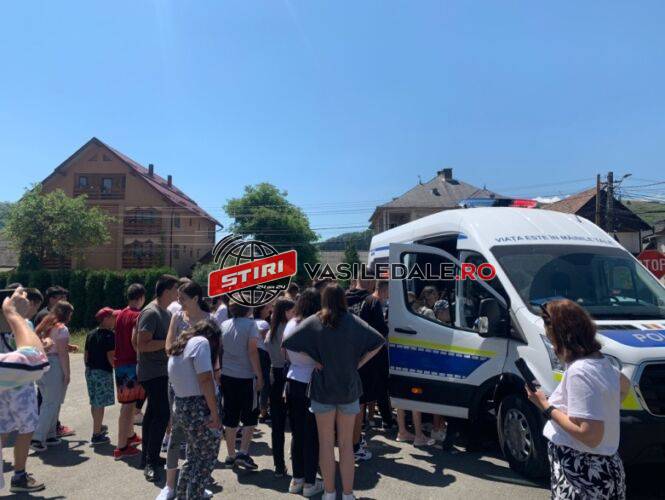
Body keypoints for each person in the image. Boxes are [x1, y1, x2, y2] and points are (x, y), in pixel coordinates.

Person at [283, 284, 385, 500]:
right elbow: (379, 341)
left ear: (324, 299)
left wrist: (315, 359)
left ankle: (329, 493)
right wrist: (358, 363)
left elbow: (288, 342)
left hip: (322, 389)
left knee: (326, 443)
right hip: (348, 387)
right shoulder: (353, 321)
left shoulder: (315, 321)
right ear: (343, 299)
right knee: (346, 445)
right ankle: (347, 494)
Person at [526, 299, 628, 499]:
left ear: (561, 336)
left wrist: (545, 405)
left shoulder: (579, 371)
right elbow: (625, 387)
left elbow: (590, 435)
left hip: (582, 474)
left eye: (550, 337)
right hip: (602, 470)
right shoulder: (602, 363)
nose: (551, 344)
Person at [159, 281, 212, 500]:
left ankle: (195, 482)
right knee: (175, 433)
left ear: (196, 298)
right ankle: (169, 485)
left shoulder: (210, 320)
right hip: (178, 383)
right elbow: (168, 347)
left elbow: (216, 354)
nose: (178, 302)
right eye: (178, 297)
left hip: (202, 385)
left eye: (183, 298)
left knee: (199, 437)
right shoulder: (177, 317)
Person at [0, 288, 50, 492]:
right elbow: (35, 359)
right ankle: (19, 475)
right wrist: (14, 316)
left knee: (4, 429)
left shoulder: (25, 324)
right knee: (26, 428)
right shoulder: (22, 323)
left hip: (10, 379)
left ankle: (19, 474)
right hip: (21, 383)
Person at [166, 320, 222, 500]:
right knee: (205, 460)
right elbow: (205, 379)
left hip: (183, 406)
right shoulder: (201, 343)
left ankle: (182, 495)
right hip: (199, 407)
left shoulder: (179, 347)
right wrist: (214, 413)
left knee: (193, 457)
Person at [136, 274, 179, 482]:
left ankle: (148, 457)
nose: (178, 293)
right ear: (167, 290)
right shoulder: (151, 312)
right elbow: (141, 344)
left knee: (153, 415)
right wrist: (169, 342)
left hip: (162, 372)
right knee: (161, 415)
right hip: (153, 373)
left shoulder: (166, 312)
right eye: (175, 289)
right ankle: (150, 462)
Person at [283, 288, 324, 497]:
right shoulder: (316, 324)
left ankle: (296, 479)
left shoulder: (291, 323)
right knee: (312, 435)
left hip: (292, 380)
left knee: (297, 433)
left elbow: (285, 353)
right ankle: (309, 482)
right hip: (311, 383)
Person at [220, 301, 264, 470]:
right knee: (250, 416)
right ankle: (243, 452)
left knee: (230, 416)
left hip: (227, 375)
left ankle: (231, 455)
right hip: (246, 376)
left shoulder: (224, 324)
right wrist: (259, 375)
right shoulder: (251, 325)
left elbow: (221, 350)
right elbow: (252, 351)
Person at [31, 300, 74, 452]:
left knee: (49, 402)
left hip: (41, 364)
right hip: (54, 365)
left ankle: (50, 435)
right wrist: (67, 373)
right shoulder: (62, 329)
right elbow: (62, 354)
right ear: (66, 314)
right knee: (51, 403)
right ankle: (37, 438)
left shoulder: (45, 325)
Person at [113, 283, 145, 460]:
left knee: (129, 404)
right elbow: (135, 341)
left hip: (120, 364)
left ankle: (130, 435)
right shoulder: (138, 316)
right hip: (131, 364)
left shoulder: (120, 314)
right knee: (127, 406)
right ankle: (121, 446)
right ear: (141, 297)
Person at [345, 279, 376, 463]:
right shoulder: (371, 301)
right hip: (359, 364)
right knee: (357, 405)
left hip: (335, 368)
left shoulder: (325, 318)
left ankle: (350, 444)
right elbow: (379, 337)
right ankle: (354, 446)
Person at [265, 297, 295, 477]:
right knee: (296, 421)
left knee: (277, 424)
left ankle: (279, 465)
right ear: (285, 312)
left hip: (274, 376)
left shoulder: (271, 331)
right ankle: (297, 459)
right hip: (290, 375)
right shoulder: (291, 330)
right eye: (292, 311)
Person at [359, 280, 394, 432]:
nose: (388, 296)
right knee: (381, 387)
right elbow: (381, 329)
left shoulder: (366, 301)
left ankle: (362, 422)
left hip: (366, 350)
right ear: (383, 290)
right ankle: (387, 421)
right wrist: (388, 327)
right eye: (388, 293)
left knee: (366, 388)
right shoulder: (375, 303)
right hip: (376, 351)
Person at [84, 307, 117, 445]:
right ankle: (96, 434)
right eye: (113, 317)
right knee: (100, 404)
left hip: (90, 371)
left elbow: (86, 355)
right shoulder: (110, 335)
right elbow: (111, 356)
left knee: (94, 401)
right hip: (102, 372)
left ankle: (98, 426)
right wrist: (117, 369)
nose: (115, 320)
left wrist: (88, 368)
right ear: (106, 319)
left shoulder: (91, 334)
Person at [254, 304, 272, 424]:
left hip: (252, 353)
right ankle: (263, 411)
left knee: (255, 381)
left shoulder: (251, 322)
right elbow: (267, 341)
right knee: (264, 382)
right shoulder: (264, 324)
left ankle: (256, 409)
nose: (269, 310)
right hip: (263, 354)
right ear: (260, 310)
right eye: (266, 308)